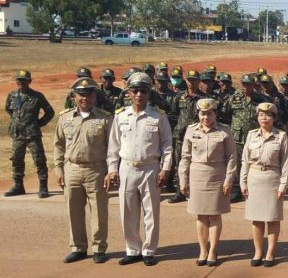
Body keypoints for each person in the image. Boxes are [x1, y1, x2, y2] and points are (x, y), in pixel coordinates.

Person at [106, 72, 173, 266]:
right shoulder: (121, 116)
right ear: (128, 93)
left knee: (151, 211)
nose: (139, 95)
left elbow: (167, 145)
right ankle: (132, 249)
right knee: (127, 212)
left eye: (143, 91)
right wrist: (112, 169)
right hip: (127, 167)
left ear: (149, 93)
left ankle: (149, 250)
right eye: (135, 91)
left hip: (150, 167)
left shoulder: (158, 116)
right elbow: (113, 146)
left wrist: (165, 169)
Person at [54, 78, 114, 263]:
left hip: (96, 170)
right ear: (74, 96)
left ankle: (98, 248)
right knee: (73, 210)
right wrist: (58, 168)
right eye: (80, 94)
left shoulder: (105, 118)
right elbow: (59, 144)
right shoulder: (65, 118)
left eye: (89, 94)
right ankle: (78, 247)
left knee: (99, 211)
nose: (84, 98)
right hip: (72, 169)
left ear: (95, 96)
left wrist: (111, 171)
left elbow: (112, 148)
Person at [179, 98, 237, 266]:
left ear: (215, 114)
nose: (205, 117)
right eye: (202, 114)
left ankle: (213, 250)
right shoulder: (191, 130)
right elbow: (185, 157)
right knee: (201, 215)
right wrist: (183, 179)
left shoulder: (224, 131)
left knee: (215, 214)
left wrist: (228, 179)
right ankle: (203, 250)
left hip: (217, 176)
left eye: (209, 113)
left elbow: (232, 157)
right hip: (197, 176)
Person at [240, 102, 288, 267]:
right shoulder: (251, 135)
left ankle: (270, 252)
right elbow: (245, 160)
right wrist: (243, 182)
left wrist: (283, 185)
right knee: (256, 219)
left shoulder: (281, 136)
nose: (264, 118)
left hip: (272, 179)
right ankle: (258, 251)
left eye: (268, 115)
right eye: (261, 115)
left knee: (273, 218)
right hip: (254, 179)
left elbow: (285, 163)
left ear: (274, 118)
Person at [5, 70, 55, 197]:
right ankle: (18, 186)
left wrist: (38, 123)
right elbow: (9, 109)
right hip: (17, 134)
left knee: (39, 160)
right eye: (19, 80)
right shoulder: (12, 95)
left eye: (24, 80)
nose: (21, 82)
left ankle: (43, 187)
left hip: (32, 134)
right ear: (16, 81)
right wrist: (17, 122)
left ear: (29, 81)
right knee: (16, 159)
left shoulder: (37, 96)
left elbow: (50, 112)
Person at [168, 70, 212, 204]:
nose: (191, 82)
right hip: (180, 137)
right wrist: (178, 128)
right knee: (180, 164)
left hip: (199, 136)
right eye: (189, 80)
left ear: (199, 81)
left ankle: (196, 191)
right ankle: (180, 191)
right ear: (185, 81)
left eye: (194, 80)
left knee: (198, 164)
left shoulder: (205, 99)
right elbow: (173, 114)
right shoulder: (179, 97)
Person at [223, 73, 266, 202]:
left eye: (248, 85)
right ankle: (236, 189)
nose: (246, 87)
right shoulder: (234, 98)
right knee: (237, 163)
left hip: (254, 137)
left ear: (253, 85)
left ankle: (252, 187)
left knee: (253, 162)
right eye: (244, 84)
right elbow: (225, 114)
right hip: (237, 136)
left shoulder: (260, 99)